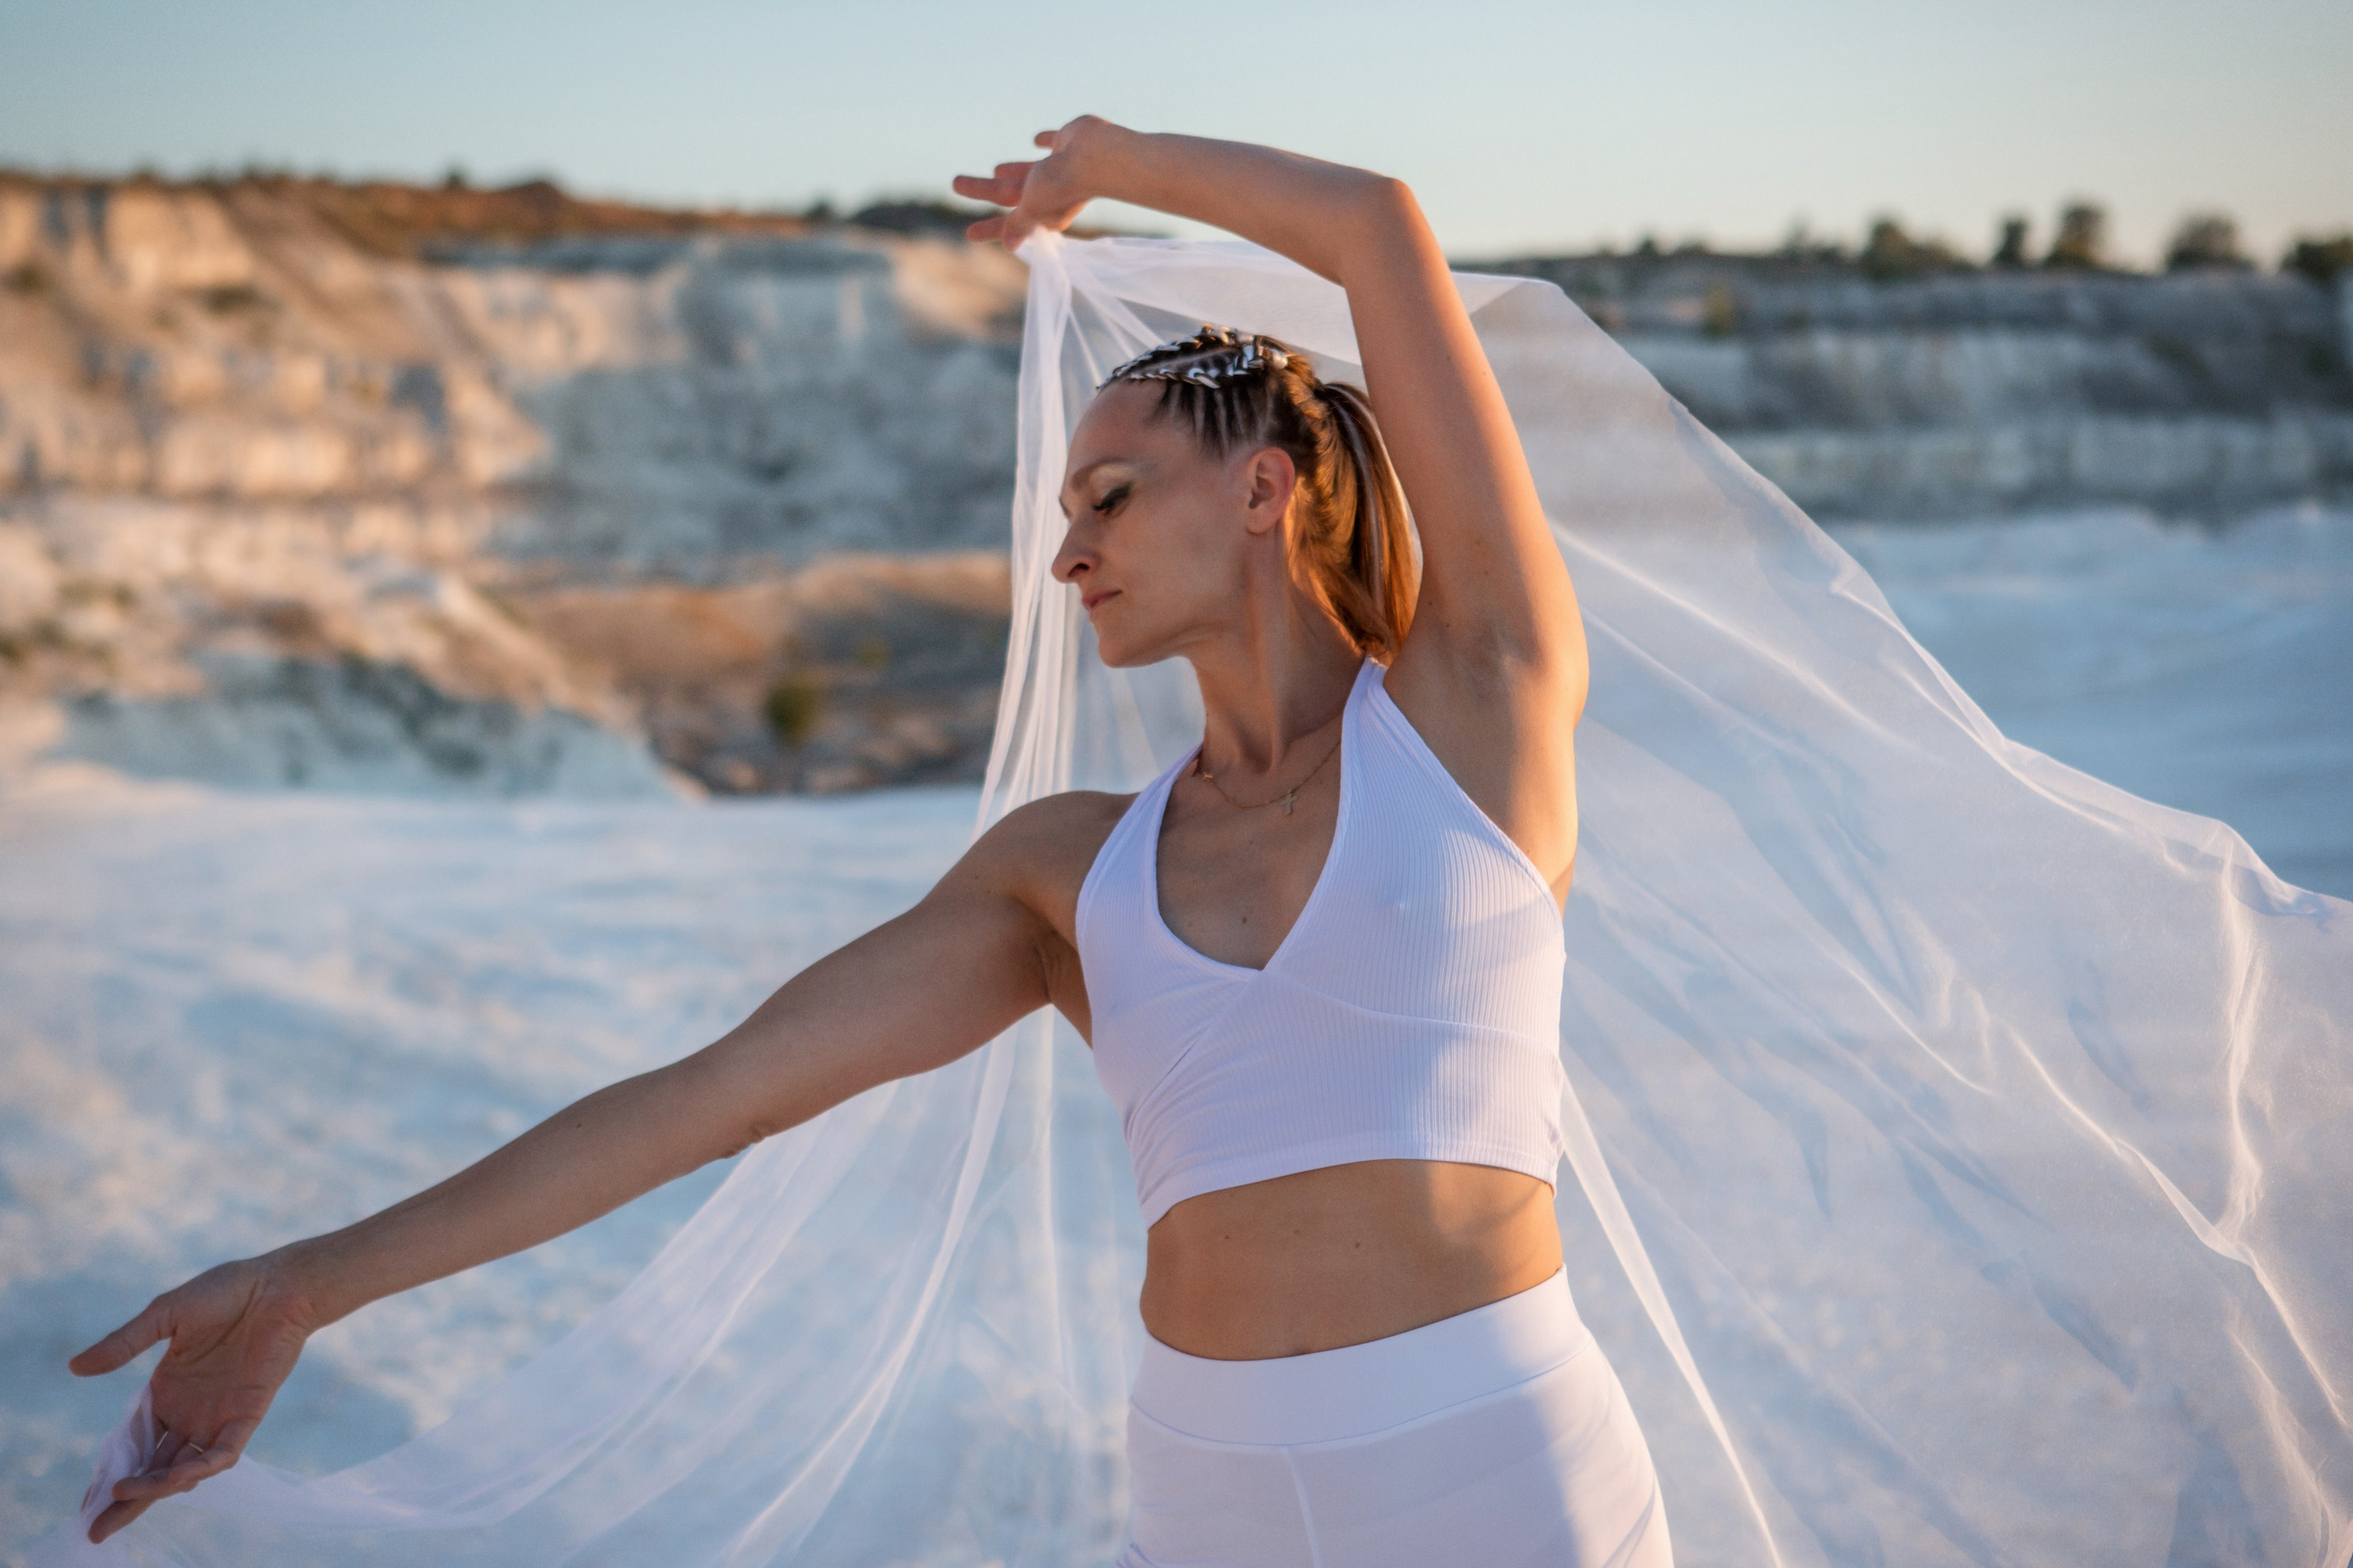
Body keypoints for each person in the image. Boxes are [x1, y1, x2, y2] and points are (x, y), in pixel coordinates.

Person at [63, 118, 1667, 1565]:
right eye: (1061, 513)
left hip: (1494, 1465)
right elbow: (705, 1098)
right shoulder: (1065, 872)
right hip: (1208, 1494)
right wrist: (300, 1286)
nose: (1066, 555)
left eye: (1108, 496)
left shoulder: (1476, 710)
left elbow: (1381, 225)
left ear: (1263, 490)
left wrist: (1108, 157)